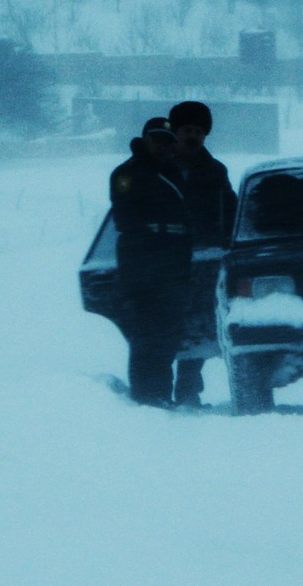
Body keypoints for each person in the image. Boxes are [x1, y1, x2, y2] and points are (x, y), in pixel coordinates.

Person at [109, 117, 192, 407]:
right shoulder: (127, 174)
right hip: (143, 260)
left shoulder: (176, 172)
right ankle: (146, 395)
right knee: (146, 332)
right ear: (145, 140)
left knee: (169, 332)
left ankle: (161, 394)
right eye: (156, 139)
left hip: (173, 259)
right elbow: (125, 218)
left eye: (167, 140)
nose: (162, 145)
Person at [167, 100, 238, 408]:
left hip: (207, 259)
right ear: (175, 132)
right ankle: (156, 391)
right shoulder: (160, 168)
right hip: (167, 259)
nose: (192, 136)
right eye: (186, 130)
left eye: (198, 131)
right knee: (168, 326)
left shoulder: (215, 171)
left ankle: (187, 392)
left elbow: (231, 211)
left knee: (199, 326)